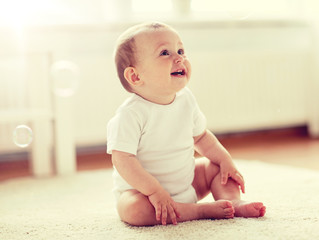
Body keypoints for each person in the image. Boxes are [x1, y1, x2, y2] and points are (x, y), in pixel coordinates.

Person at [107, 22, 266, 226]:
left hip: (186, 185)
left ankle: (232, 202)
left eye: (180, 50)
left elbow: (200, 137)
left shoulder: (186, 99)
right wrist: (154, 191)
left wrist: (225, 159)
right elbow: (123, 160)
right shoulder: (130, 114)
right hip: (145, 195)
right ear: (136, 76)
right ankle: (196, 211)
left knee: (218, 167)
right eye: (165, 53)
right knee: (133, 210)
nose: (179, 58)